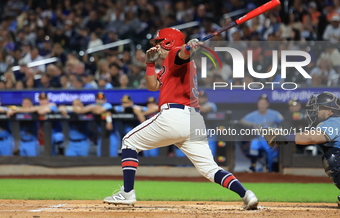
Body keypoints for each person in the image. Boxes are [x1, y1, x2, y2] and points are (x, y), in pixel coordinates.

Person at [103, 27, 258, 210]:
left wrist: (188, 48)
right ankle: (247, 194)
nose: (157, 46)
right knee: (210, 169)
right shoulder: (169, 65)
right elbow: (153, 86)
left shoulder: (174, 55)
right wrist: (150, 65)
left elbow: (181, 54)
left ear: (169, 42)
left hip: (174, 116)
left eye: (160, 42)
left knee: (128, 141)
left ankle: (127, 193)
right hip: (193, 120)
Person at [262, 92, 340, 207]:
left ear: (330, 111)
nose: (316, 111)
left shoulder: (334, 121)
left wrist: (284, 137)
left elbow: (312, 137)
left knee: (332, 158)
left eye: (319, 108)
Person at [239, 94, 283, 173]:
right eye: (260, 103)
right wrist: (251, 124)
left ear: (268, 104)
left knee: (271, 153)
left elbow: (283, 122)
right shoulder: (253, 115)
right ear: (258, 104)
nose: (262, 105)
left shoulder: (274, 114)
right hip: (260, 138)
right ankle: (253, 166)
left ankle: (269, 168)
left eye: (264, 103)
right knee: (254, 143)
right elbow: (242, 121)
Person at [74, 92, 118, 157]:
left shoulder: (108, 105)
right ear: (95, 100)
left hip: (111, 135)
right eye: (98, 99)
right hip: (101, 135)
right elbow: (80, 111)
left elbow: (99, 111)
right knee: (100, 156)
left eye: (102, 99)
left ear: (105, 100)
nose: (100, 101)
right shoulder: (93, 105)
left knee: (112, 156)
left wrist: (91, 109)